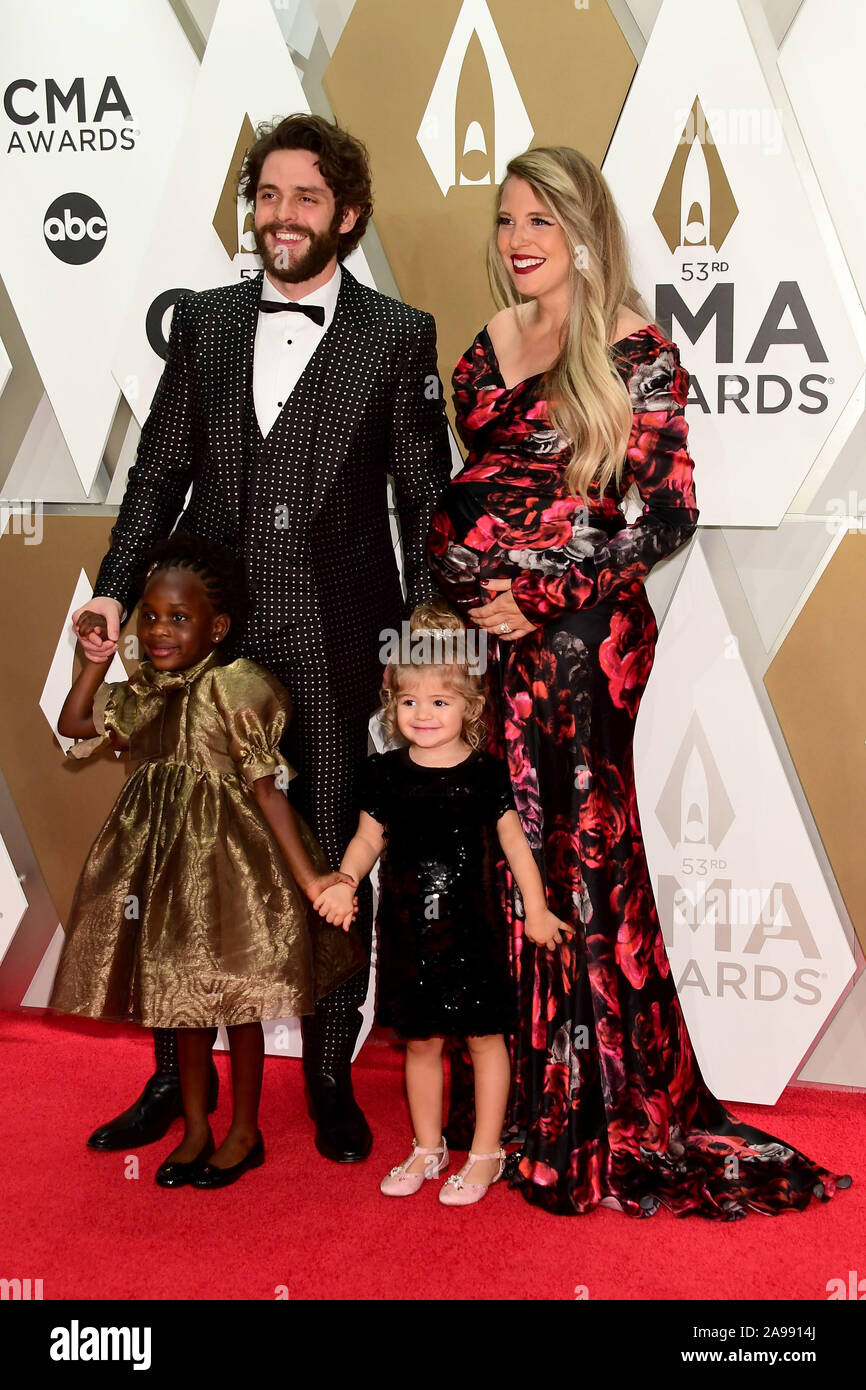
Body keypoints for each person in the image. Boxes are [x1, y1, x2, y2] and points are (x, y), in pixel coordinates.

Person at [427, 146, 852, 1219]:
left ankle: (605, 1109)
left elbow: (665, 513)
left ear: (582, 230)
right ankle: (532, 1102)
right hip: (494, 651)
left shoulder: (632, 346)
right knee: (512, 857)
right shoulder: (482, 350)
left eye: (541, 220)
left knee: (582, 857)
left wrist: (541, 593)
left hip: (581, 645)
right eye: (507, 218)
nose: (519, 239)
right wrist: (483, 591)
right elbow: (483, 489)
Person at [70, 113, 453, 1163]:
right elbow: (156, 473)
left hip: (334, 630)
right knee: (184, 854)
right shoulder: (203, 319)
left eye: (306, 200)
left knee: (331, 851)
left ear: (348, 216)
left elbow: (425, 500)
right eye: (268, 197)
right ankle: (170, 1077)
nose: (282, 217)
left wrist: (426, 632)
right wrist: (113, 590)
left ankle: (328, 1072)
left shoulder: (395, 335)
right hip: (208, 646)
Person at [49, 535, 364, 1188]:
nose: (160, 631)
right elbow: (77, 722)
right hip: (161, 866)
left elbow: (265, 787)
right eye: (151, 617)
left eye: (180, 618)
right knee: (180, 1002)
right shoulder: (146, 688)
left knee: (238, 1002)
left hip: (231, 866)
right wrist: (93, 660)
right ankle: (195, 1127)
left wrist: (312, 880)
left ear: (218, 626)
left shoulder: (236, 686)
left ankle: (244, 1132)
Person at [314, 599, 570, 1205]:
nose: (423, 714)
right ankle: (427, 1146)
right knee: (421, 1042)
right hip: (407, 936)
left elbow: (515, 845)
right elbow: (367, 839)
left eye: (439, 702)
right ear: (390, 705)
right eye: (409, 702)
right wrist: (345, 882)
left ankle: (485, 1152)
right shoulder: (382, 774)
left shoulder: (484, 774)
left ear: (470, 706)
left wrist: (535, 908)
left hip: (473, 932)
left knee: (484, 1041)